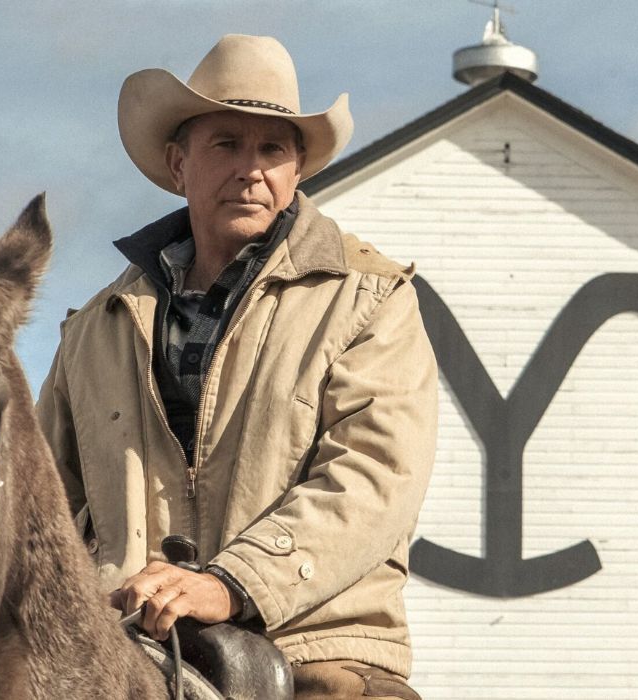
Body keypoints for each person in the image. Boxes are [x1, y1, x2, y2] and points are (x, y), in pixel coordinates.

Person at [36, 34, 436, 699]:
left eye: (272, 149)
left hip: (320, 656)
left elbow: (374, 479)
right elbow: (44, 507)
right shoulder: (93, 330)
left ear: (297, 170)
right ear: (178, 164)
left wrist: (231, 584)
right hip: (122, 655)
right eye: (226, 144)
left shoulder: (371, 299)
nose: (251, 169)